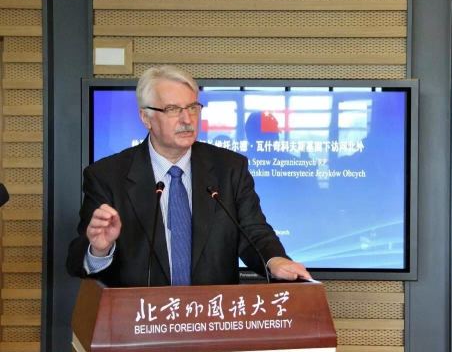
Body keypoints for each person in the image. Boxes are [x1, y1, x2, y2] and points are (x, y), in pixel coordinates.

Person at [66, 65, 310, 287]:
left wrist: (274, 259)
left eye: (193, 107)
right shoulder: (107, 176)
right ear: (146, 118)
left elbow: (253, 231)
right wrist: (100, 250)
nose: (187, 119)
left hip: (211, 315)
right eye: (172, 109)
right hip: (139, 317)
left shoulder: (229, 168)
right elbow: (76, 262)